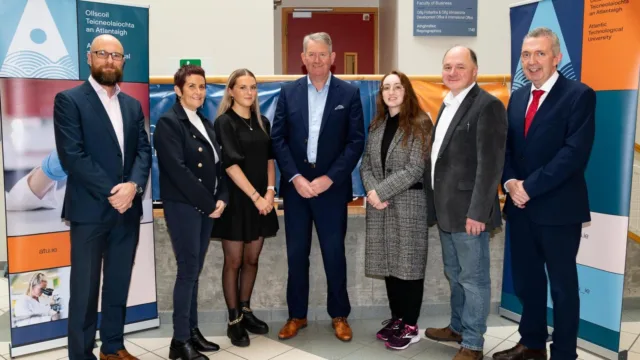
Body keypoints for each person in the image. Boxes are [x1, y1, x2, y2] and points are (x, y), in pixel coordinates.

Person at [493, 27, 596, 360]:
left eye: (539, 54)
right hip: (521, 209)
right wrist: (510, 184)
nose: (531, 61)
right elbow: (507, 149)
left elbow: (573, 153)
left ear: (556, 58)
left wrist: (529, 187)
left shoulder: (579, 95)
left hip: (558, 210)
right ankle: (532, 344)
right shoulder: (519, 96)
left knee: (563, 288)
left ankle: (565, 353)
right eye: (525, 55)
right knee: (527, 282)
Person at [53, 34, 151, 360]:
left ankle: (113, 346)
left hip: (127, 210)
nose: (110, 60)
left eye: (117, 55)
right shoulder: (69, 100)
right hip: (90, 211)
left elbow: (143, 153)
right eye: (102, 54)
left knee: (117, 285)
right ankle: (81, 355)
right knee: (85, 290)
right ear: (89, 57)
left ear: (124, 62)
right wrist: (116, 192)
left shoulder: (133, 105)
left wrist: (134, 187)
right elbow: (72, 156)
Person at [271, 32, 365, 342]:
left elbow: (355, 142)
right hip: (296, 189)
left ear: (332, 57)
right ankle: (296, 315)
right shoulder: (288, 93)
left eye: (322, 54)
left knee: (334, 254)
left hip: (331, 189)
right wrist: (296, 178)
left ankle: (339, 315)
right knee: (297, 255)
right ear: (302, 58)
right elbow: (278, 139)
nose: (316, 59)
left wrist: (329, 178)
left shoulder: (349, 94)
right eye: (311, 54)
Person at [423, 46, 507, 360]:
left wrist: (478, 213)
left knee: (473, 280)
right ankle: (457, 327)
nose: (452, 72)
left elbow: (490, 166)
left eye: (460, 66)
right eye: (447, 67)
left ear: (475, 71)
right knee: (454, 273)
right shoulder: (448, 104)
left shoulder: (488, 106)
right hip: (447, 212)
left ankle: (472, 342)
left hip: (470, 214)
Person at [154, 64, 228, 360]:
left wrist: (222, 198)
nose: (198, 91)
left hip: (206, 208)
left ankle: (192, 332)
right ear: (178, 90)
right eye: (192, 86)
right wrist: (210, 204)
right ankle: (179, 342)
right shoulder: (169, 123)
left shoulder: (205, 123)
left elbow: (219, 166)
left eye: (202, 86)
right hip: (184, 207)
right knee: (187, 272)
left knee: (194, 272)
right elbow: (178, 172)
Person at [359, 70, 432, 351]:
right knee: (389, 264)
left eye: (397, 87)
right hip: (381, 206)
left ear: (406, 91)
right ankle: (398, 318)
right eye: (386, 88)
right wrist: (373, 192)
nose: (391, 92)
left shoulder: (420, 122)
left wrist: (380, 192)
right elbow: (366, 164)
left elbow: (415, 168)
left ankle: (411, 325)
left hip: (408, 204)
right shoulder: (377, 124)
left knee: (409, 266)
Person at [211, 68, 279, 346]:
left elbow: (269, 160)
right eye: (243, 87)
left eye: (253, 87)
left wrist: (270, 193)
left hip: (262, 201)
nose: (249, 92)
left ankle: (246, 309)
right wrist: (256, 197)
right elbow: (230, 164)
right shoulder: (224, 122)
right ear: (231, 91)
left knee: (252, 259)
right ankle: (234, 320)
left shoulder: (262, 121)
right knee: (234, 261)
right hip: (239, 201)